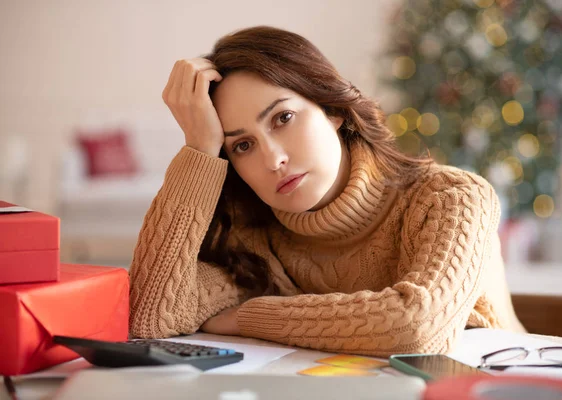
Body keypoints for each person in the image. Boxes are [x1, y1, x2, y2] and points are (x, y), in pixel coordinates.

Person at [128, 26, 525, 357]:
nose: (273, 159)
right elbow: (152, 314)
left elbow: (416, 329)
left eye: (283, 118)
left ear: (332, 109)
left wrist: (248, 316)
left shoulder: (451, 198)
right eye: (242, 146)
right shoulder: (257, 239)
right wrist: (199, 148)